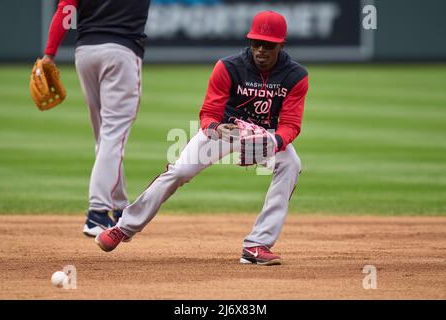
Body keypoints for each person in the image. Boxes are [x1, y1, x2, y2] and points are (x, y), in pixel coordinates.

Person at [96, 10, 309, 266]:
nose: (261, 50)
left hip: (264, 137)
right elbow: (208, 112)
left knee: (290, 164)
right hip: (226, 130)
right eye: (256, 43)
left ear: (281, 45)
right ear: (250, 42)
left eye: (269, 45)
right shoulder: (229, 67)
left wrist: (274, 142)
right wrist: (214, 128)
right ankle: (123, 227)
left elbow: (290, 124)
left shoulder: (296, 76)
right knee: (179, 172)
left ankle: (257, 244)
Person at [42, 0, 151, 237]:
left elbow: (65, 8)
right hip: (121, 53)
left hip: (85, 53)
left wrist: (49, 54)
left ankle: (120, 208)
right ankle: (98, 212)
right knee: (113, 134)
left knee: (104, 134)